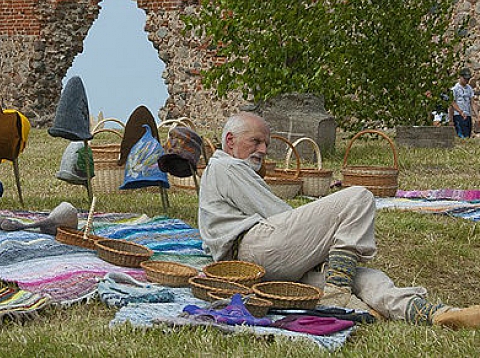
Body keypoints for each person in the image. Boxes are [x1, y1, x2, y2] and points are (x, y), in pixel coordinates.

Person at [198, 112, 480, 328]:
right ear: (230, 141)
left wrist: (324, 246)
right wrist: (324, 230)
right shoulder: (225, 166)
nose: (262, 150)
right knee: (358, 196)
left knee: (365, 277)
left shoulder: (229, 170)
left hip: (267, 266)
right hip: (252, 252)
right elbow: (280, 216)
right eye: (255, 141)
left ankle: (429, 313)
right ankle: (336, 294)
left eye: (266, 144)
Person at [451, 68, 475, 138]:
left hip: (468, 115)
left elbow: (472, 103)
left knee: (467, 136)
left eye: (468, 79)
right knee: (462, 137)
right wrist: (460, 112)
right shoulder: (455, 88)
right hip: (458, 115)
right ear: (460, 77)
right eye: (465, 79)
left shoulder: (469, 88)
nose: (466, 81)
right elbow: (453, 102)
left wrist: (477, 115)